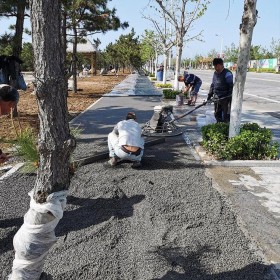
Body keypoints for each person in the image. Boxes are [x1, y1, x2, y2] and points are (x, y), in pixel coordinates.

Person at [207, 58, 233, 123]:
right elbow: (213, 85)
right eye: (215, 66)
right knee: (217, 114)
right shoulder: (215, 73)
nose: (216, 68)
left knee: (226, 115)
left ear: (220, 65)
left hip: (226, 98)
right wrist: (209, 95)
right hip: (217, 97)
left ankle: (226, 128)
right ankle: (219, 125)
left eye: (217, 66)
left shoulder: (228, 73)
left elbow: (231, 86)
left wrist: (229, 96)